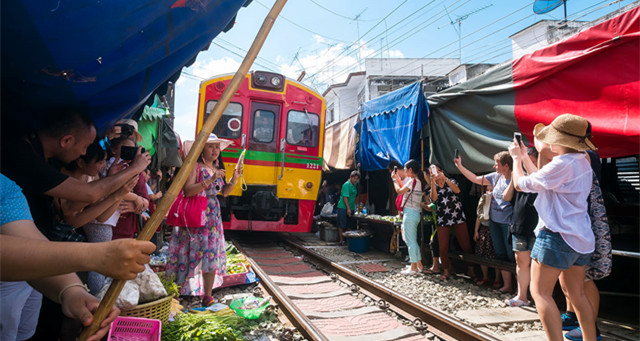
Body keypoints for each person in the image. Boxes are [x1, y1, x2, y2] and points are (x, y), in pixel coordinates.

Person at [0, 110, 151, 340]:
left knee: (23, 332)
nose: (85, 153)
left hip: (30, 277)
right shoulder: (21, 155)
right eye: (86, 147)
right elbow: (86, 200)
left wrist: (71, 290)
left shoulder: (7, 187)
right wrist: (94, 256)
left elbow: (28, 240)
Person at [510, 113, 597, 341]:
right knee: (577, 294)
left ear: (560, 140)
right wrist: (525, 157)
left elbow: (522, 184)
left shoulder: (562, 164)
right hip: (581, 237)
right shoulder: (582, 161)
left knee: (539, 293)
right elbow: (541, 179)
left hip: (557, 236)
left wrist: (516, 161)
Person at [166, 134, 242, 307]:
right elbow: (188, 191)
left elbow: (224, 192)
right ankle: (175, 293)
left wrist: (234, 179)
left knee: (211, 254)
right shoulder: (195, 166)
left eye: (217, 147)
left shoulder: (215, 167)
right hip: (196, 215)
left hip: (212, 217)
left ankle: (207, 295)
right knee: (189, 252)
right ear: (202, 149)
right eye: (210, 146)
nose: (215, 150)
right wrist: (210, 179)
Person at [455, 151, 514, 292]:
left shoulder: (515, 177)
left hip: (508, 223)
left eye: (497, 164)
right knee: (500, 254)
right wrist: (460, 166)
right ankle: (507, 285)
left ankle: (519, 288)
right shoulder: (496, 177)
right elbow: (475, 179)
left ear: (506, 165)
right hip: (494, 221)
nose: (494, 166)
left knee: (512, 255)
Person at [503, 147, 539, 307]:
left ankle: (540, 298)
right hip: (519, 225)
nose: (527, 164)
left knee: (539, 264)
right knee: (521, 262)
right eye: (525, 161)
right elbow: (507, 196)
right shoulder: (519, 178)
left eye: (531, 161)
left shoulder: (541, 178)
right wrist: (514, 176)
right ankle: (522, 296)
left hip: (537, 227)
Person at [428, 164, 476, 281]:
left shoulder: (451, 181)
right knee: (443, 247)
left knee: (466, 245)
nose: (435, 173)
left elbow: (457, 190)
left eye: (436, 170)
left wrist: (445, 178)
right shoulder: (433, 187)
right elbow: (433, 199)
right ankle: (446, 271)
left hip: (457, 216)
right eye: (432, 172)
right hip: (443, 218)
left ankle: (472, 269)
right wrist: (433, 183)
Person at [393, 160, 426, 275]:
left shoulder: (412, 181)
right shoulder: (419, 182)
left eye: (406, 169)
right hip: (416, 213)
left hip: (409, 213)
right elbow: (406, 190)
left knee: (410, 241)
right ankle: (418, 263)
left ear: (410, 170)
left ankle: (413, 267)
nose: (405, 172)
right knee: (413, 240)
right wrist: (398, 179)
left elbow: (399, 191)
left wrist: (394, 180)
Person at [473, 183, 499, 287]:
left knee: (495, 254)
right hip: (484, 228)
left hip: (495, 228)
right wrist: (476, 230)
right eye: (488, 186)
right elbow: (479, 215)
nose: (489, 188)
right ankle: (485, 277)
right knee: (481, 252)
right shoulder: (484, 198)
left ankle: (497, 279)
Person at [421, 169, 440, 274]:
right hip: (436, 220)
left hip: (440, 220)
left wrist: (424, 205)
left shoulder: (436, 188)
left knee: (434, 242)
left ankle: (436, 266)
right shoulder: (429, 189)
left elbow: (433, 206)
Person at [336, 170, 360, 245]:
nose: (355, 180)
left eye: (357, 179)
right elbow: (345, 197)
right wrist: (348, 209)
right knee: (342, 224)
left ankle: (348, 241)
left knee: (350, 225)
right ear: (350, 177)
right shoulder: (346, 185)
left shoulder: (355, 185)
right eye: (354, 178)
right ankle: (341, 240)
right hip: (343, 207)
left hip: (352, 207)